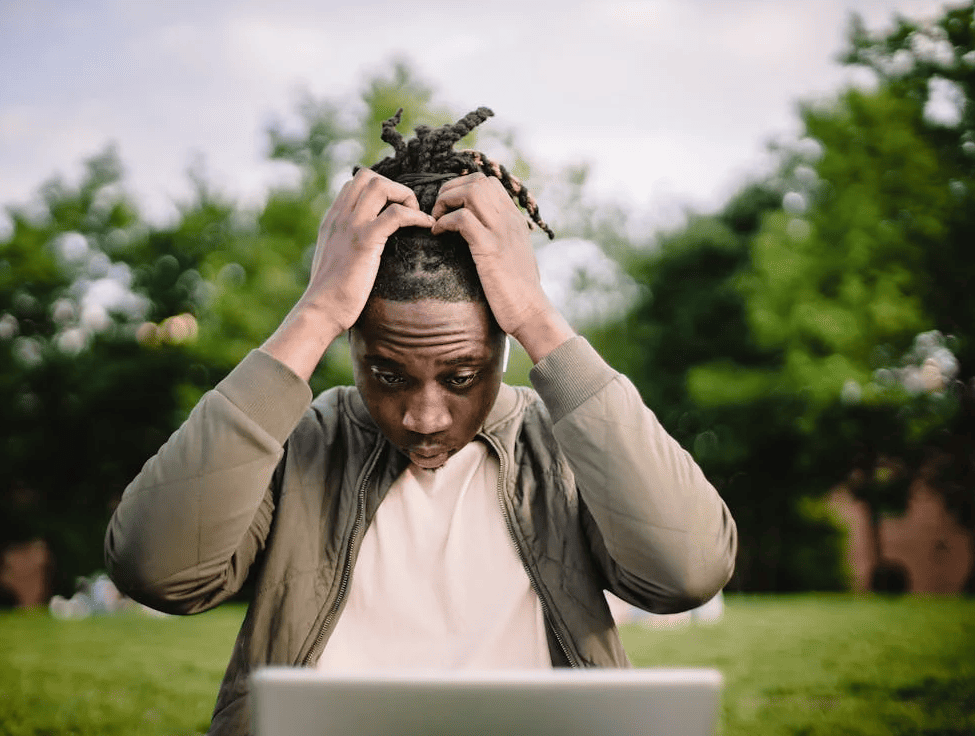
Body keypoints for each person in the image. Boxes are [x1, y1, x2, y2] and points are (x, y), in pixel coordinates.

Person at [105, 107, 737, 735]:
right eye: (387, 374)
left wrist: (539, 316)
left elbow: (687, 573)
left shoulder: (568, 443)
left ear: (504, 346)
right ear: (350, 343)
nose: (424, 417)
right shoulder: (299, 442)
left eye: (460, 378)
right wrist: (315, 310)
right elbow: (156, 572)